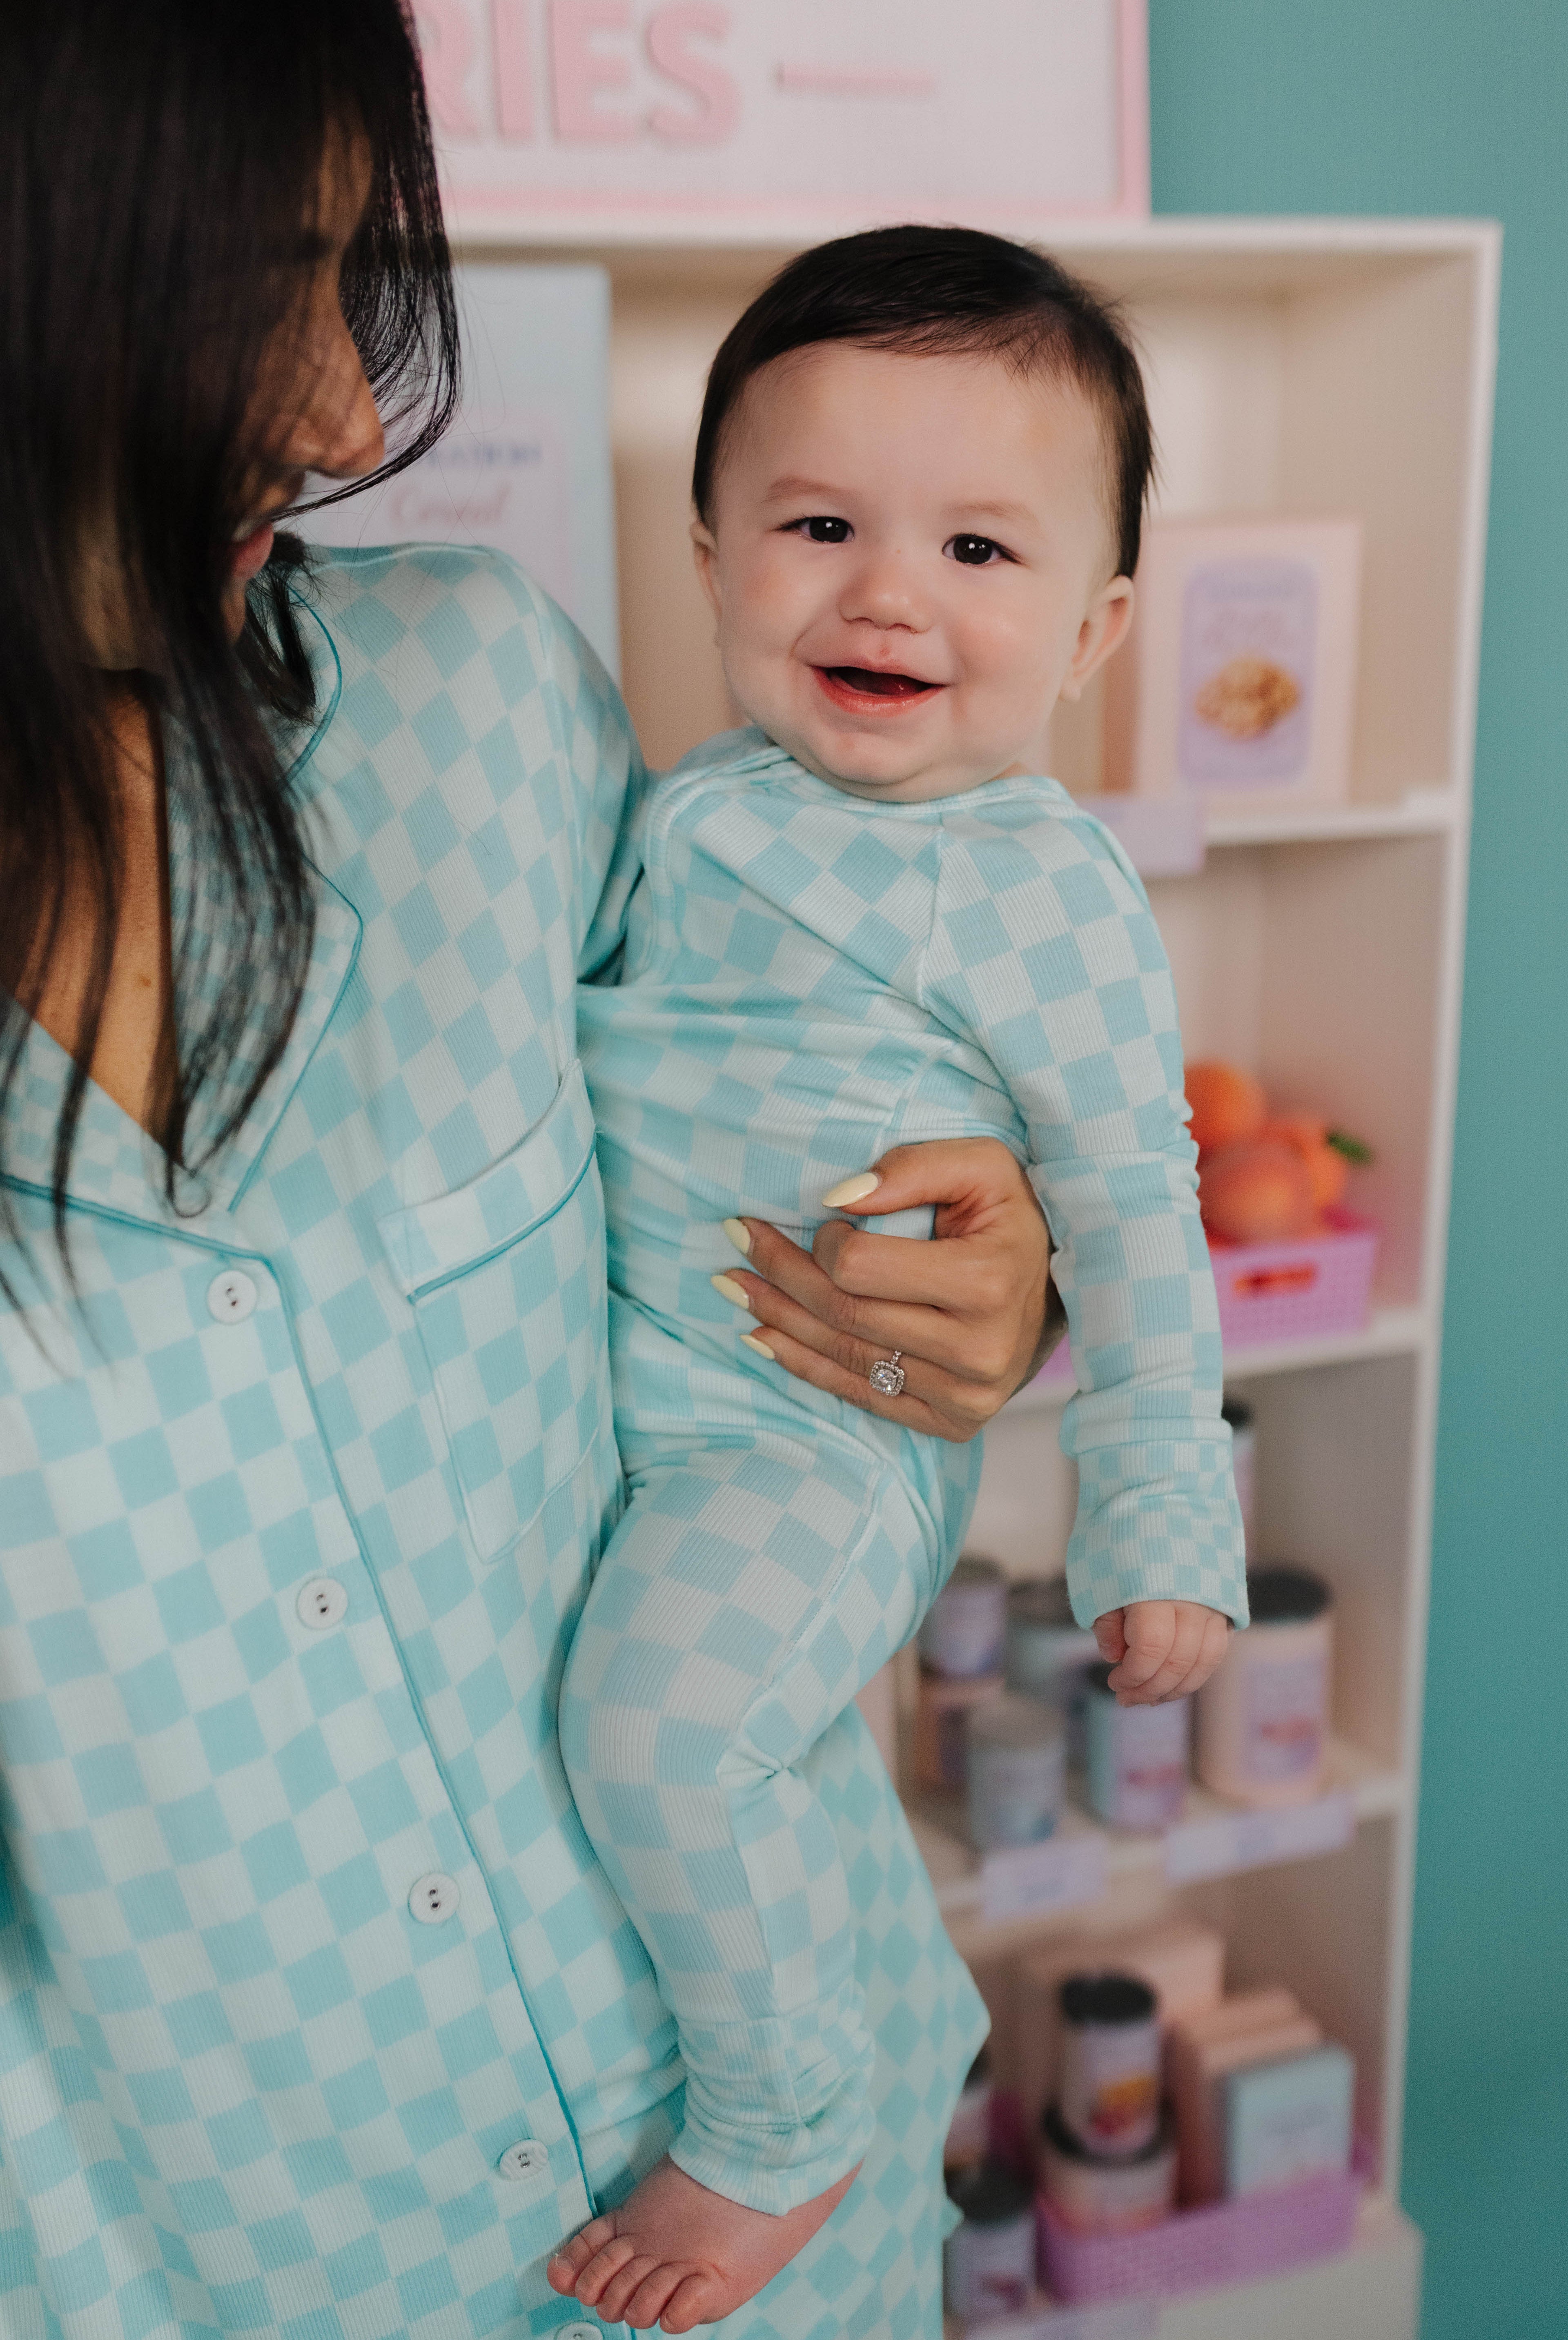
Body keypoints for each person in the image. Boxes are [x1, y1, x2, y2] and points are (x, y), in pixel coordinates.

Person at [0, 13, 1059, 2338]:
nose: (347, 417)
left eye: (340, 257)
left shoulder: (479, 708)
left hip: (807, 2205)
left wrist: (979, 1284)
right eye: (220, 269)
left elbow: (772, 1252)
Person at [548, 229, 1248, 2333]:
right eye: (820, 524)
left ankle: (780, 2126)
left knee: (664, 1744)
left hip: (808, 1435)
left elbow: (1137, 1214)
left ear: (1102, 621)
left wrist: (1162, 1531)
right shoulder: (683, 811)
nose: (886, 590)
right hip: (605, 1392)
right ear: (708, 553)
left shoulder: (1041, 891)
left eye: (976, 545)